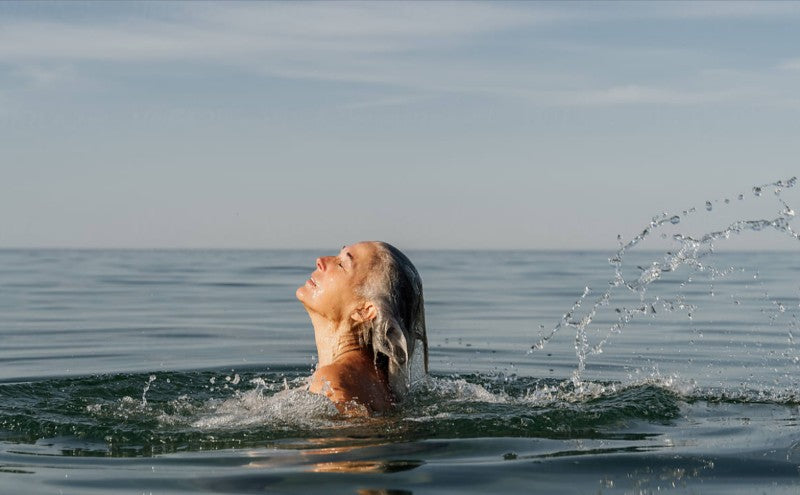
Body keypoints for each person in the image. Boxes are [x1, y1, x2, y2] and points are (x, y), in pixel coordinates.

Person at [296, 241, 428, 415]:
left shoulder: (332, 380)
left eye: (342, 264)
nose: (320, 261)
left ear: (364, 311)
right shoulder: (379, 385)